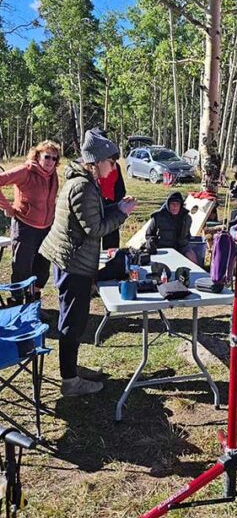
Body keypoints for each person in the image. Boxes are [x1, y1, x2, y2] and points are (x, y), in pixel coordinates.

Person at [40, 129, 136, 396]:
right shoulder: (83, 186)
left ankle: (70, 371)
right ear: (96, 161)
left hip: (72, 261)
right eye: (111, 161)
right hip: (74, 264)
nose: (114, 167)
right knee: (73, 322)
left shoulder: (83, 181)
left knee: (73, 319)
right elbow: (94, 229)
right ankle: (70, 381)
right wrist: (122, 214)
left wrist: (116, 208)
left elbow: (91, 216)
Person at [0, 140, 61, 299]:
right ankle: (17, 305)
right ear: (38, 155)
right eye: (47, 157)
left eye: (55, 158)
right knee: (22, 268)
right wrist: (7, 207)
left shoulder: (52, 175)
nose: (50, 162)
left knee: (41, 269)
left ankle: (33, 305)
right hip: (25, 227)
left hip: (46, 228)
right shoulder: (25, 171)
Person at [90, 127, 126, 250]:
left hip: (110, 205)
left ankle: (111, 265)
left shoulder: (115, 166)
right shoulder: (88, 166)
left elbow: (120, 189)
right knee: (92, 241)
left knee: (111, 244)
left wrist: (118, 206)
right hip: (93, 206)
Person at [145, 191, 198, 264]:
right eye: (173, 204)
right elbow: (149, 234)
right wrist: (151, 242)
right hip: (164, 247)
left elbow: (188, 235)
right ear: (168, 205)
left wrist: (186, 245)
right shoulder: (158, 216)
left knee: (192, 257)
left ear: (181, 205)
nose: (175, 206)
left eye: (177, 204)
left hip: (181, 247)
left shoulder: (187, 218)